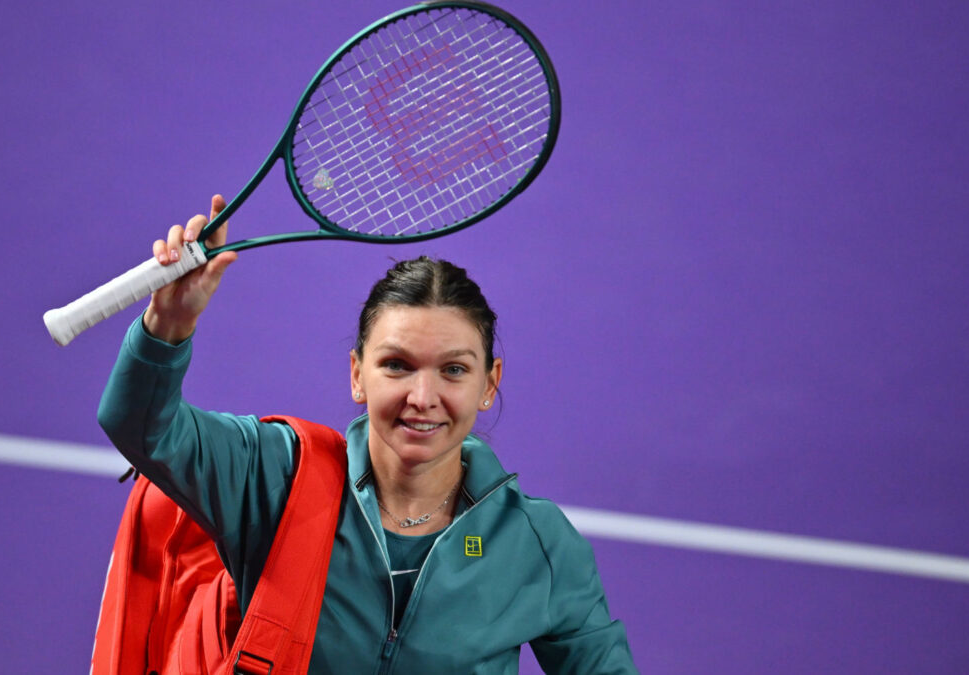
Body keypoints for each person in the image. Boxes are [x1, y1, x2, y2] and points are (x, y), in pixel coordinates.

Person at [97, 195, 638, 674]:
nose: (422, 397)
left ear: (489, 384)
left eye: (453, 370)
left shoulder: (536, 545)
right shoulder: (276, 477)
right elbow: (141, 426)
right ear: (357, 374)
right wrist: (169, 326)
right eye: (397, 365)